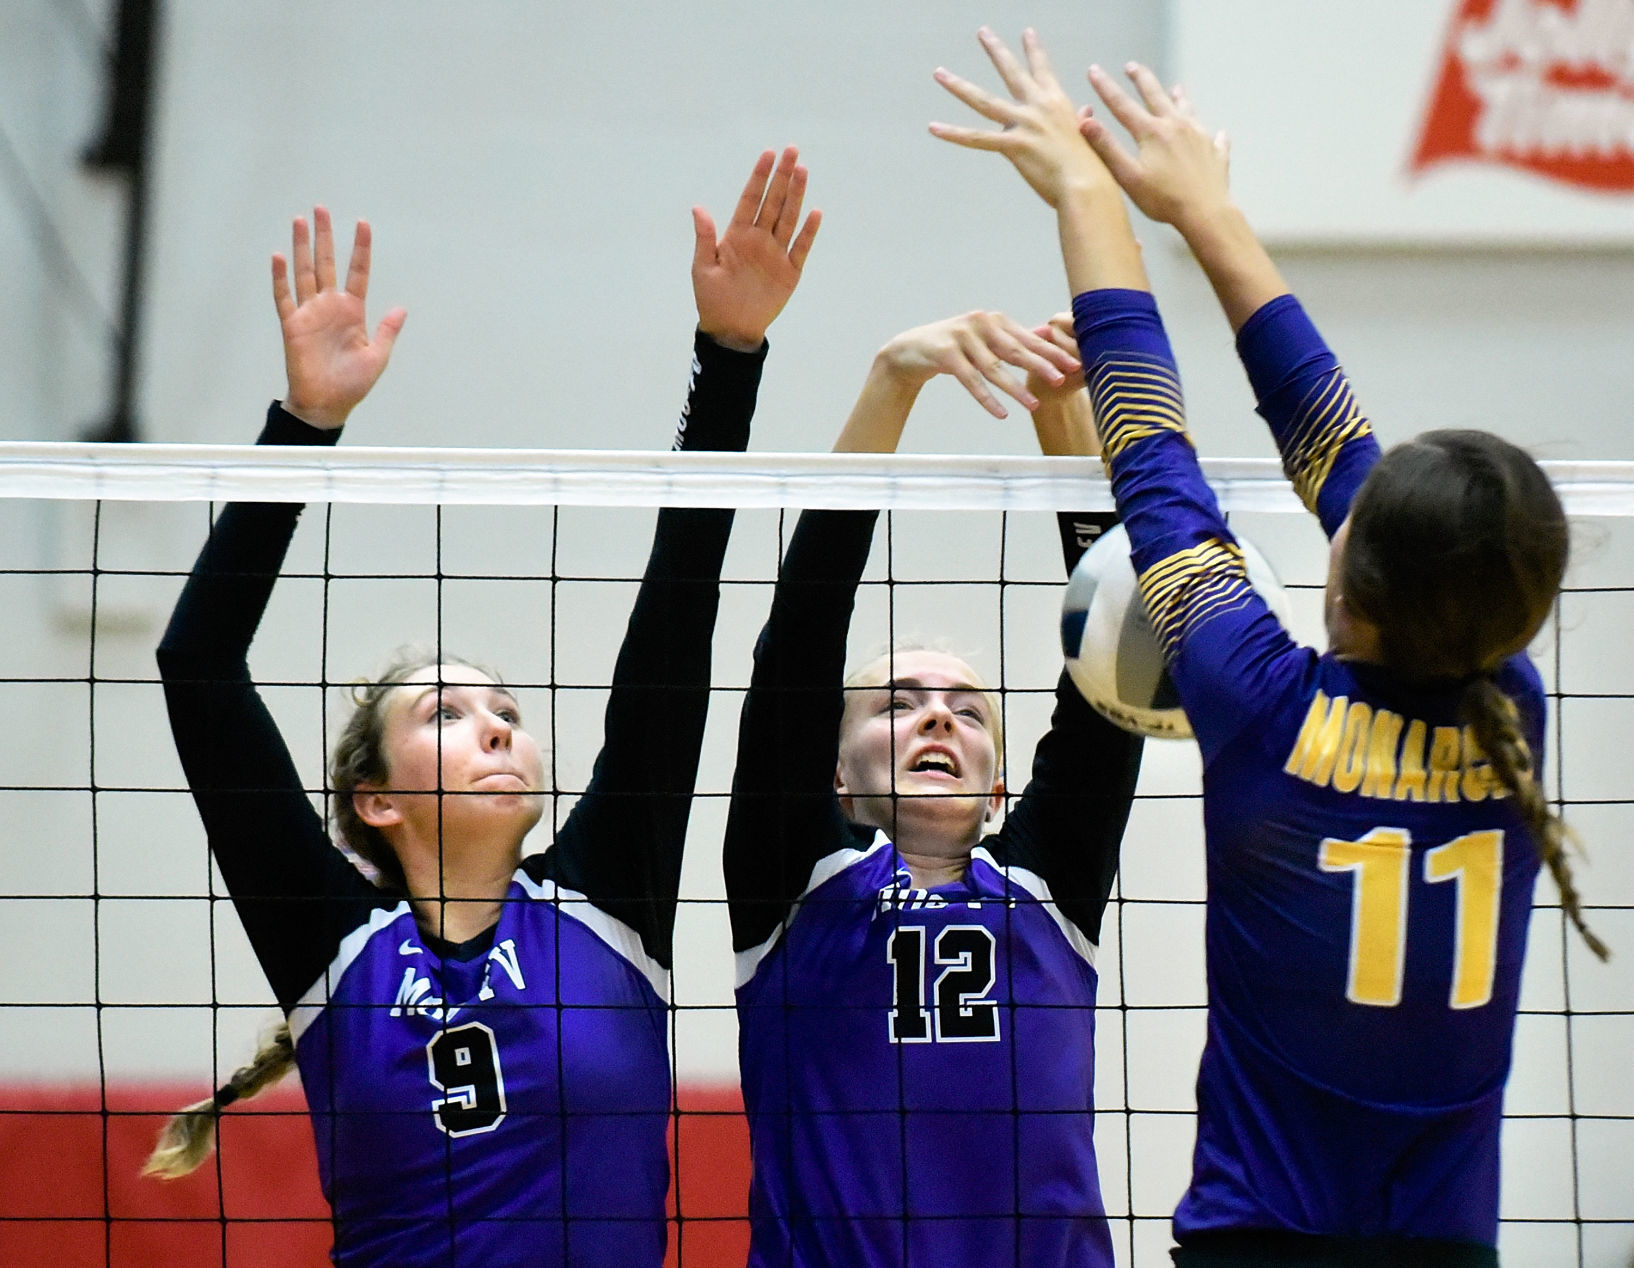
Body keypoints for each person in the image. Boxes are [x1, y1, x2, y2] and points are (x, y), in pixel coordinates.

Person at [931, 28, 1608, 1267]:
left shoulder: (1262, 706)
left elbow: (1155, 435)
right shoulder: (1508, 704)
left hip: (1261, 1242)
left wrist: (1100, 194)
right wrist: (1198, 210)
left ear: (1350, 571)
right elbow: (1276, 449)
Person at [148, 148, 820, 1267]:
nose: (500, 723)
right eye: (449, 713)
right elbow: (197, 666)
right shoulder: (332, 946)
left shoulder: (609, 895)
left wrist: (730, 355)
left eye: (501, 706)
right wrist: (302, 430)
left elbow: (676, 617)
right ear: (375, 800)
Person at [723, 304, 1145, 1266]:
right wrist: (891, 384)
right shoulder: (797, 885)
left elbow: (1112, 658)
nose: (938, 718)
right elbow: (797, 647)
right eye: (897, 705)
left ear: (1000, 789)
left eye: (967, 710)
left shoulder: (1049, 893)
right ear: (835, 773)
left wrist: (1061, 430)